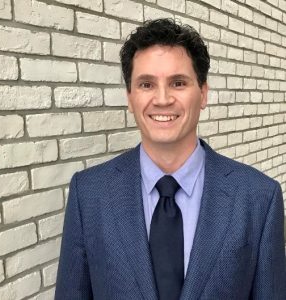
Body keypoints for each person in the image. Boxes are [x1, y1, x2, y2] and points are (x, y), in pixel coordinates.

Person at [55, 18, 286, 299]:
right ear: (130, 97)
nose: (162, 99)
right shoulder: (89, 194)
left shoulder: (259, 197)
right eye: (146, 84)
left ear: (203, 94)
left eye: (178, 82)